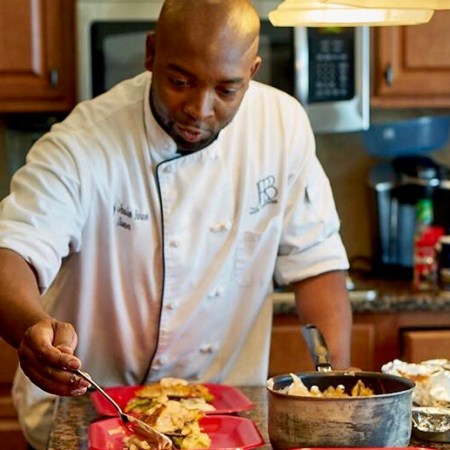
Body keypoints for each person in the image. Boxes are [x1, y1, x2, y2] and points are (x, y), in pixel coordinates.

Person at [0, 0, 352, 448]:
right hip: (88, 406)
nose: (200, 109)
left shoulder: (281, 128)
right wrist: (32, 327)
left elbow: (316, 263)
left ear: (253, 71)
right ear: (151, 54)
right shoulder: (83, 142)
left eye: (227, 90)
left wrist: (334, 387)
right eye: (180, 82)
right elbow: (14, 252)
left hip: (223, 420)